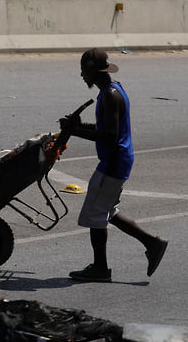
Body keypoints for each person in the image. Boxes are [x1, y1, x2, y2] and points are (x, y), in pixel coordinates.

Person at [59, 48, 168, 282]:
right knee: (108, 210)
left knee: (97, 213)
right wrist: (78, 126)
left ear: (91, 71)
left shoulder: (110, 95)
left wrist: (74, 131)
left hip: (114, 162)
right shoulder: (112, 89)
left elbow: (109, 135)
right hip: (118, 160)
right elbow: (105, 128)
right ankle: (153, 243)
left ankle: (100, 268)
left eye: (82, 71)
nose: (81, 76)